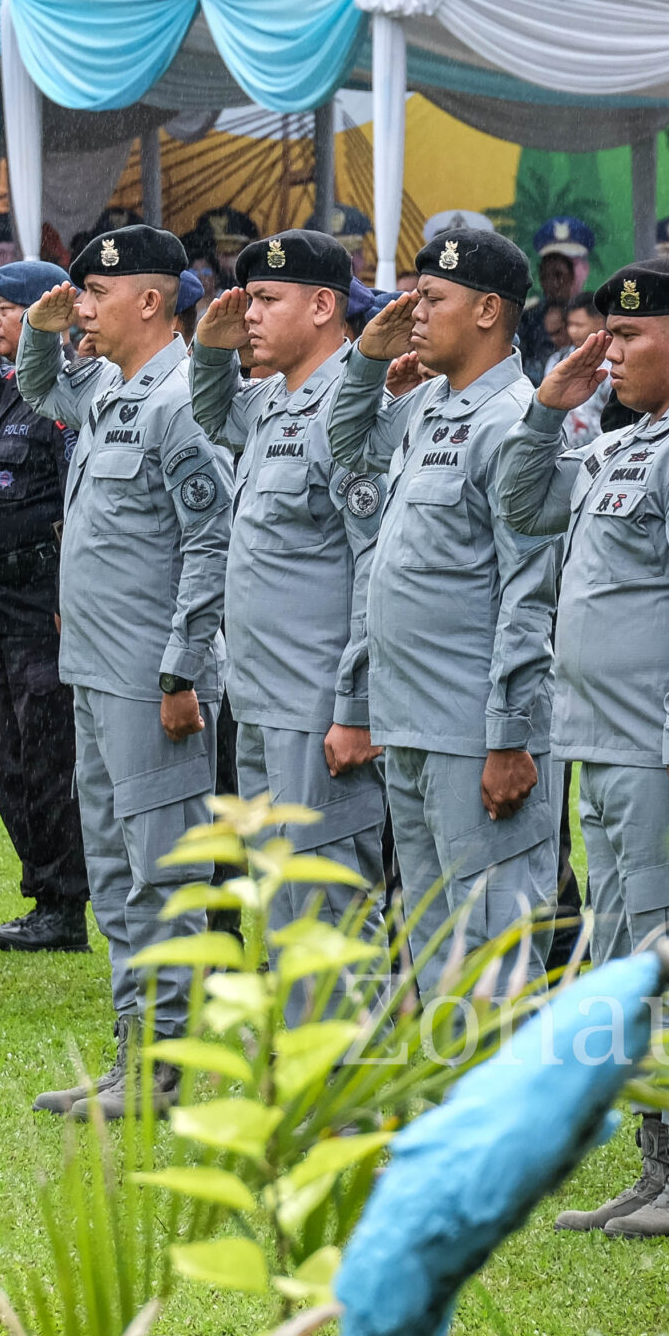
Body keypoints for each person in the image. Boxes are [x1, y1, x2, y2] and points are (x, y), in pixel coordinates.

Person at [500, 259, 669, 1239]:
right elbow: (522, 505)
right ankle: (659, 1171)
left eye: (627, 337)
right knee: (625, 959)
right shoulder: (630, 444)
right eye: (605, 336)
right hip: (606, 746)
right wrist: (546, 409)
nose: (605, 351)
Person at [15, 225, 234, 1120]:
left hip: (155, 679)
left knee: (163, 872)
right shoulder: (109, 384)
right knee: (114, 867)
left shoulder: (181, 399)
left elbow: (209, 537)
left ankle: (161, 1067)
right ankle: (130, 1055)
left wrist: (183, 664)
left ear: (152, 300)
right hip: (99, 671)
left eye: (96, 294)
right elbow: (39, 391)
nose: (83, 308)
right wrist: (38, 331)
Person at [322, 227, 558, 975]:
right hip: (414, 722)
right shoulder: (430, 407)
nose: (411, 311)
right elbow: (344, 446)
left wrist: (510, 735)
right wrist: (364, 362)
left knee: (491, 941)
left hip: (474, 731)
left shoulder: (517, 422)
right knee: (434, 943)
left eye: (432, 298)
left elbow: (529, 591)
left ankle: (499, 1090)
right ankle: (455, 1092)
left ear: (489, 310)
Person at [190, 231, 388, 935]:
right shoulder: (272, 398)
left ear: (324, 306)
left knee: (325, 906)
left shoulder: (352, 410)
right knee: (279, 900)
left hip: (317, 704)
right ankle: (299, 1041)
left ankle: (339, 1047)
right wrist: (211, 350)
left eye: (268, 299)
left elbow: (375, 566)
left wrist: (356, 704)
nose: (252, 314)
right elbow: (213, 414)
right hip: (262, 698)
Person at [0, 260, 91, 955]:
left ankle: (63, 904)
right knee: (13, 762)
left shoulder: (60, 398)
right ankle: (46, 893)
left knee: (45, 757)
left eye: (8, 310)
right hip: (1, 607)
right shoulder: (12, 392)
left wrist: (67, 599)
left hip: (41, 605)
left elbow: (74, 503)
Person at [516, 216, 594, 373]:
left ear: (576, 274)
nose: (552, 284)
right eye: (545, 276)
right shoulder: (528, 319)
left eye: (559, 275)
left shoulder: (596, 313)